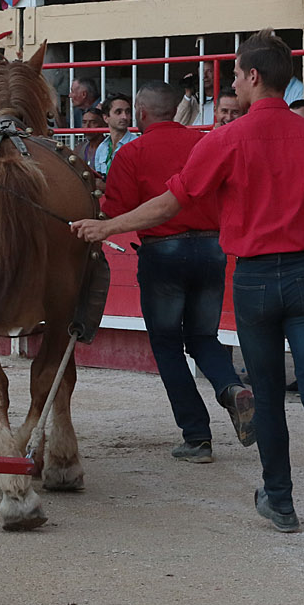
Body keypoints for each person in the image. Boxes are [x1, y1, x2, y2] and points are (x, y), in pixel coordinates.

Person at [72, 30, 304, 552]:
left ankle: (281, 500)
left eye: (234, 74)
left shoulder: (225, 140)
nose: (232, 84)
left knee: (269, 393)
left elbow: (168, 204)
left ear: (253, 76)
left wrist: (106, 227)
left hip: (255, 277)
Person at [102, 81, 256, 463]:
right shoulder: (205, 142)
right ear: (175, 110)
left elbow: (114, 210)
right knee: (203, 336)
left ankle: (197, 437)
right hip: (211, 247)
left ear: (140, 112)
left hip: (163, 252)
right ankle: (230, 387)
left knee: (168, 344)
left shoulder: (131, 152)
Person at [93, 93, 137, 174]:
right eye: (118, 112)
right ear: (105, 118)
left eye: (127, 112)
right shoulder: (102, 147)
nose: (124, 116)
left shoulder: (137, 145)